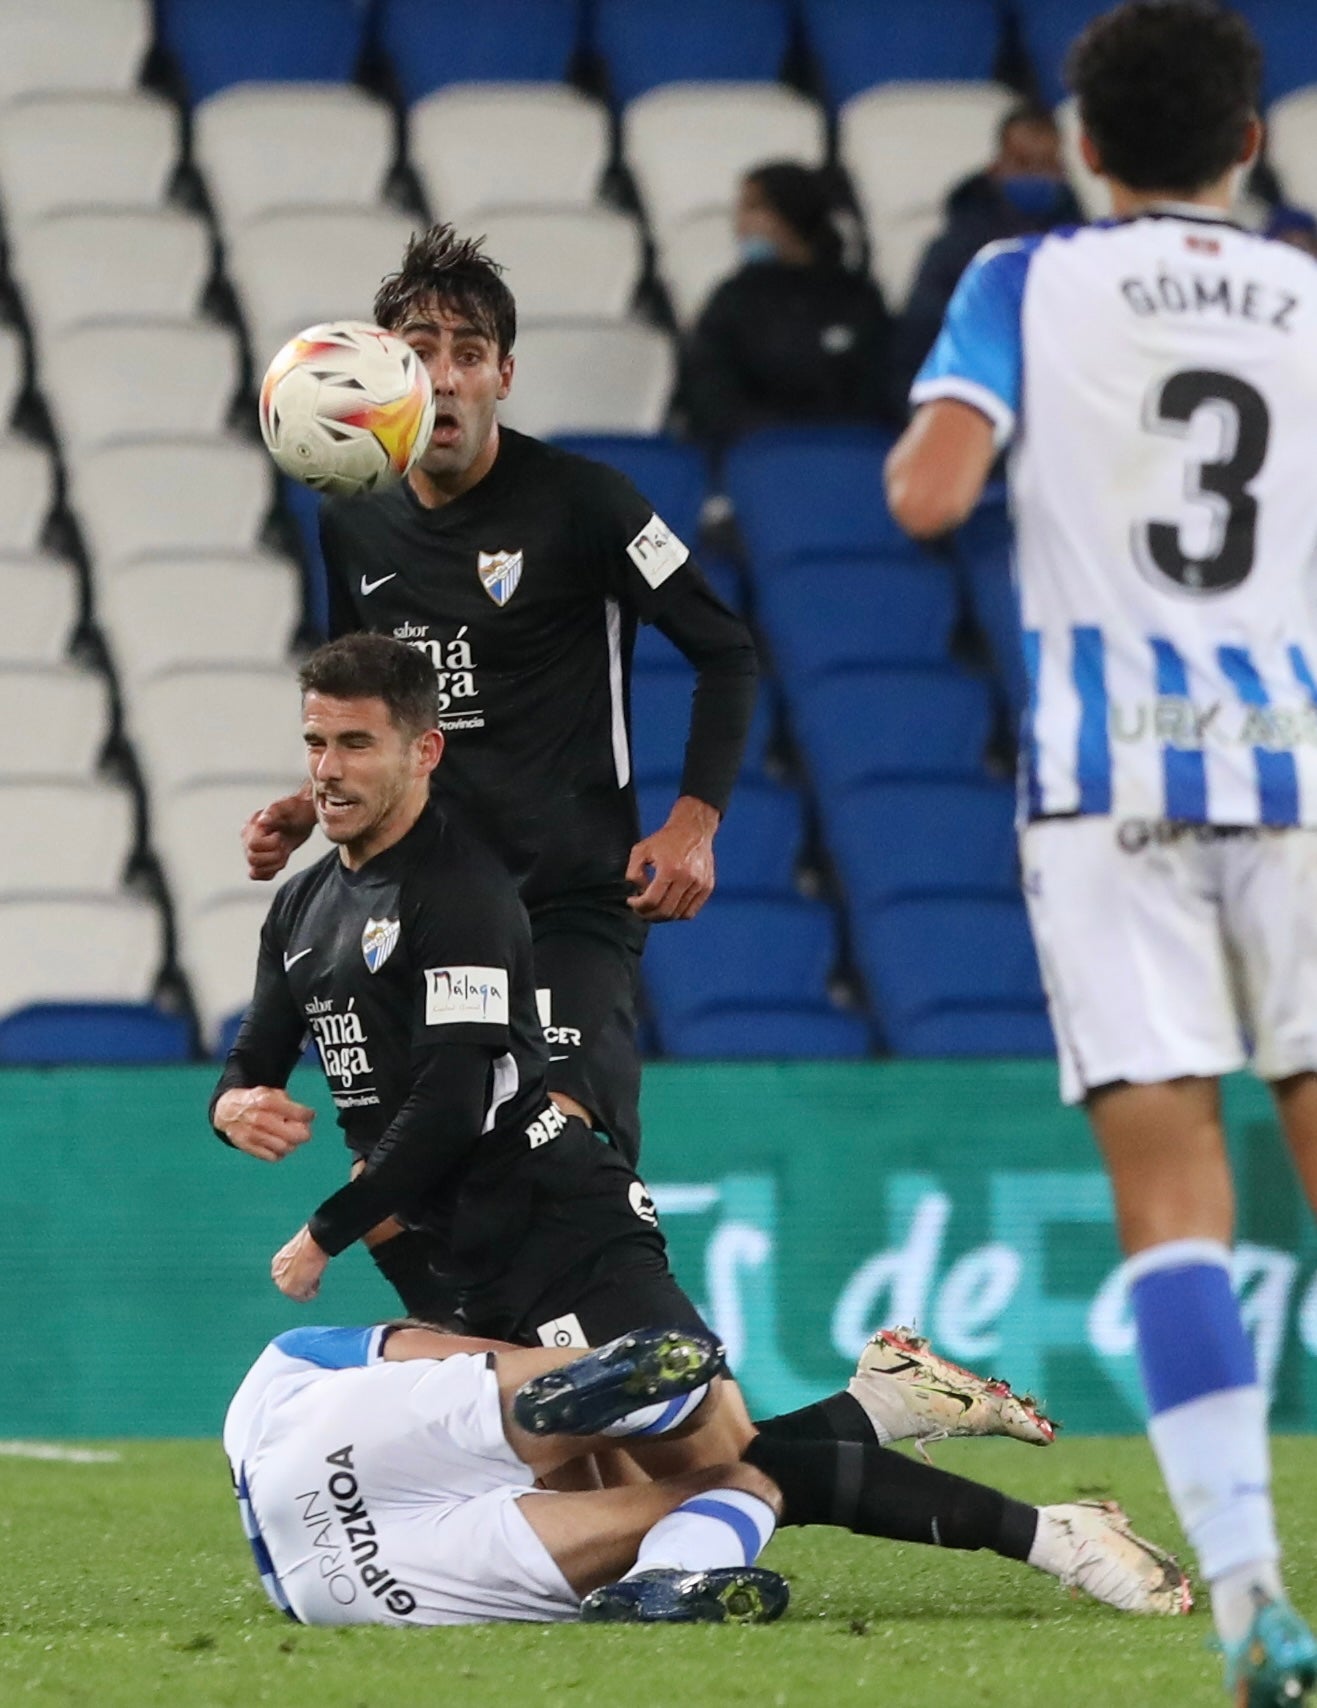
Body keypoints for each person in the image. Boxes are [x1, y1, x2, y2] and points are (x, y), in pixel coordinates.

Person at [213, 634, 1188, 1618]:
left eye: (356, 743)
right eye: (316, 742)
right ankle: (878, 1408)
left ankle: (1061, 1536)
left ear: (423, 751)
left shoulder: (460, 895)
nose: (329, 769)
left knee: (733, 1465)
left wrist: (325, 1229)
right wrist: (234, 1104)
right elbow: (257, 1048)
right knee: (636, 1502)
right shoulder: (302, 904)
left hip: (552, 1228)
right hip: (442, 1252)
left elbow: (454, 1101)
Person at [882, 5, 1317, 1702]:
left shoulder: (1020, 279)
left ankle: (1245, 1586)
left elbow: (926, 490)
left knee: (1174, 1197)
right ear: (1249, 143)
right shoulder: (1308, 292)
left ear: (1081, 144)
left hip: (1104, 785)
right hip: (1292, 773)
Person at [242, 224, 759, 1321]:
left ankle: (656, 1370)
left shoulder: (590, 502)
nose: (443, 374)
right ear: (384, 371)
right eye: (419, 348)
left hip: (570, 902)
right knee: (417, 1181)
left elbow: (727, 648)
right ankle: (548, 1394)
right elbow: (365, 695)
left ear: (503, 375)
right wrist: (314, 800)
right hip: (444, 917)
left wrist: (695, 819)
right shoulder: (355, 520)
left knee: (555, 1129)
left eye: (468, 351)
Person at [223, 1319, 1191, 1629]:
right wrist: (519, 1365)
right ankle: (614, 1408)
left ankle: (665, 1564)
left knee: (732, 1476)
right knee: (738, 1475)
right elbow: (393, 1344)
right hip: (338, 1472)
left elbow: (326, 1344)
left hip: (329, 1580)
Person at [682, 161, 896, 448]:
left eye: (753, 208)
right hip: (757, 459)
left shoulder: (856, 297)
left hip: (846, 458)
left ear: (790, 213)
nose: (739, 224)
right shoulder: (732, 300)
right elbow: (711, 393)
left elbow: (880, 390)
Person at [893, 103, 1082, 399]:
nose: (1035, 175)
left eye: (1045, 164)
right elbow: (920, 337)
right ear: (997, 166)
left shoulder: (1085, 246)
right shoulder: (954, 247)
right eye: (1022, 163)